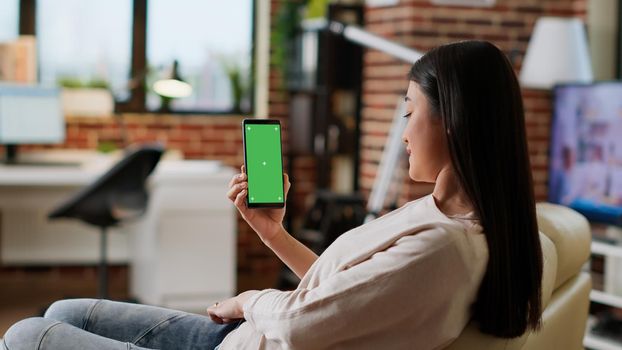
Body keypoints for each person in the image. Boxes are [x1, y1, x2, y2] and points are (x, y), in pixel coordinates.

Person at [2, 40, 543, 349]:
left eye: (408, 110)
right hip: (239, 341)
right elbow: (341, 296)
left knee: (27, 334)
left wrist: (247, 300)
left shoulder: (440, 248)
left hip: (252, 340)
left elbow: (305, 322)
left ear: (452, 121)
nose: (402, 130)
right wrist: (272, 232)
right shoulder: (438, 217)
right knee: (60, 308)